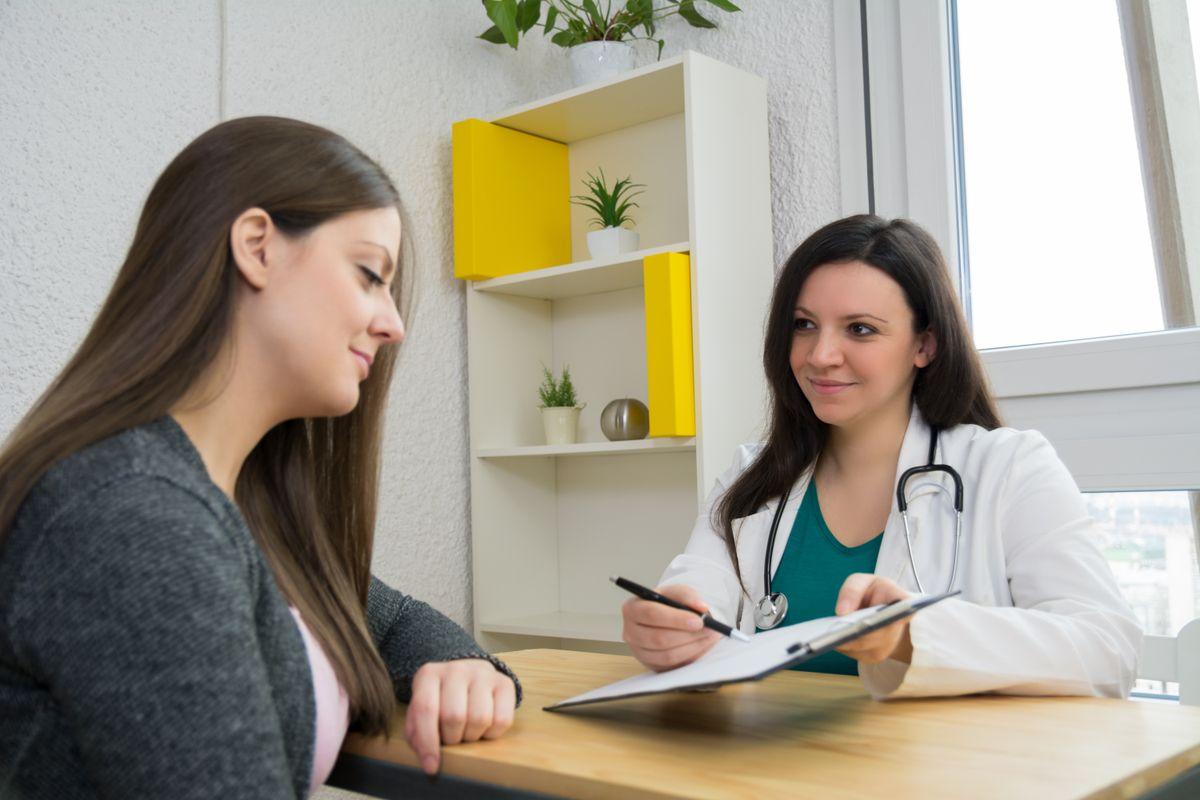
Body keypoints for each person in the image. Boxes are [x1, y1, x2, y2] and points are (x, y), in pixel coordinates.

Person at [0, 116, 517, 799]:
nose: (393, 323)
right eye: (369, 274)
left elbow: (385, 618)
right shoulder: (133, 515)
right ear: (256, 247)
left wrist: (461, 665)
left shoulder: (237, 504)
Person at [620, 214, 1141, 698]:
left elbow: (1107, 650)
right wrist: (668, 629)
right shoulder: (753, 478)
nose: (820, 355)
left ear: (925, 346)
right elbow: (695, 593)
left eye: (860, 329)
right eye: (804, 324)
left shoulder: (1009, 466)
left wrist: (912, 634)